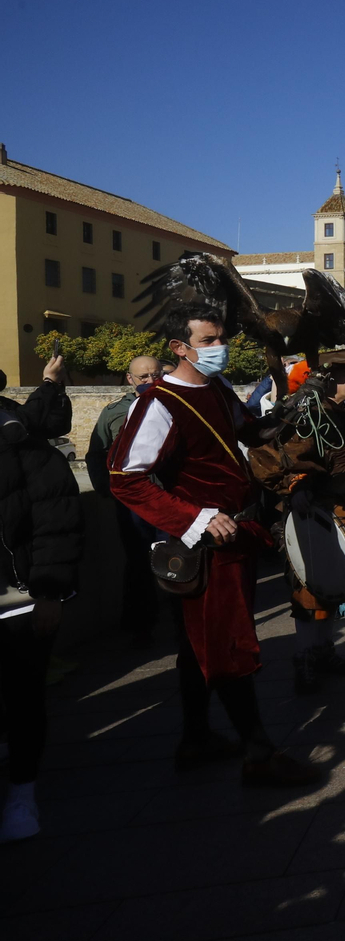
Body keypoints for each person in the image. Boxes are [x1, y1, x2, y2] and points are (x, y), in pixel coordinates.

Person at [110, 302, 319, 786]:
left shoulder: (221, 388)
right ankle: (258, 753)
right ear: (178, 348)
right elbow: (125, 479)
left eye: (220, 338)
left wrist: (296, 405)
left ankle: (196, 737)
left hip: (238, 536)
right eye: (207, 341)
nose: (219, 348)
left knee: (195, 645)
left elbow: (250, 432)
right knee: (227, 643)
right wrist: (195, 518)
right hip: (206, 545)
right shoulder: (158, 401)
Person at [248, 350, 345, 695]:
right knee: (310, 592)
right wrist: (295, 487)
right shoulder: (304, 417)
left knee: (331, 587)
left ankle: (325, 654)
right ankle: (305, 660)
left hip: (343, 513)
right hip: (311, 516)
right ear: (326, 381)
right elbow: (265, 459)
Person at [0, 355, 81, 841]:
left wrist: (51, 593)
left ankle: (22, 792)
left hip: (18, 595)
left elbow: (57, 518)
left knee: (24, 695)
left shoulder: (19, 437)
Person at [86, 354, 164, 645]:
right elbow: (96, 453)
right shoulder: (113, 412)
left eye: (155, 375)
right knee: (138, 562)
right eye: (143, 377)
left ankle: (188, 619)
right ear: (130, 379)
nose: (150, 381)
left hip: (170, 496)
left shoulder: (175, 404)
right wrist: (106, 489)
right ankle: (141, 626)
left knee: (178, 556)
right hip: (133, 503)